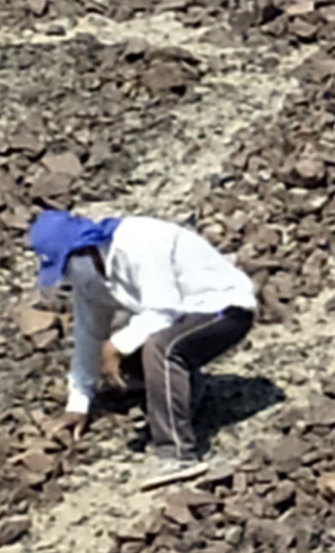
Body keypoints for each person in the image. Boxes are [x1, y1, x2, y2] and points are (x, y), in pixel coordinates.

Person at [27, 207, 258, 483]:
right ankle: (186, 398)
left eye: (67, 268)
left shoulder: (138, 242)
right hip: (182, 317)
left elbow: (162, 311)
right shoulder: (93, 281)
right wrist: (78, 402)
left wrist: (115, 346)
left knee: (161, 347)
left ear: (84, 251)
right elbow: (89, 338)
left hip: (225, 309)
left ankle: (178, 455)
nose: (67, 279)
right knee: (132, 349)